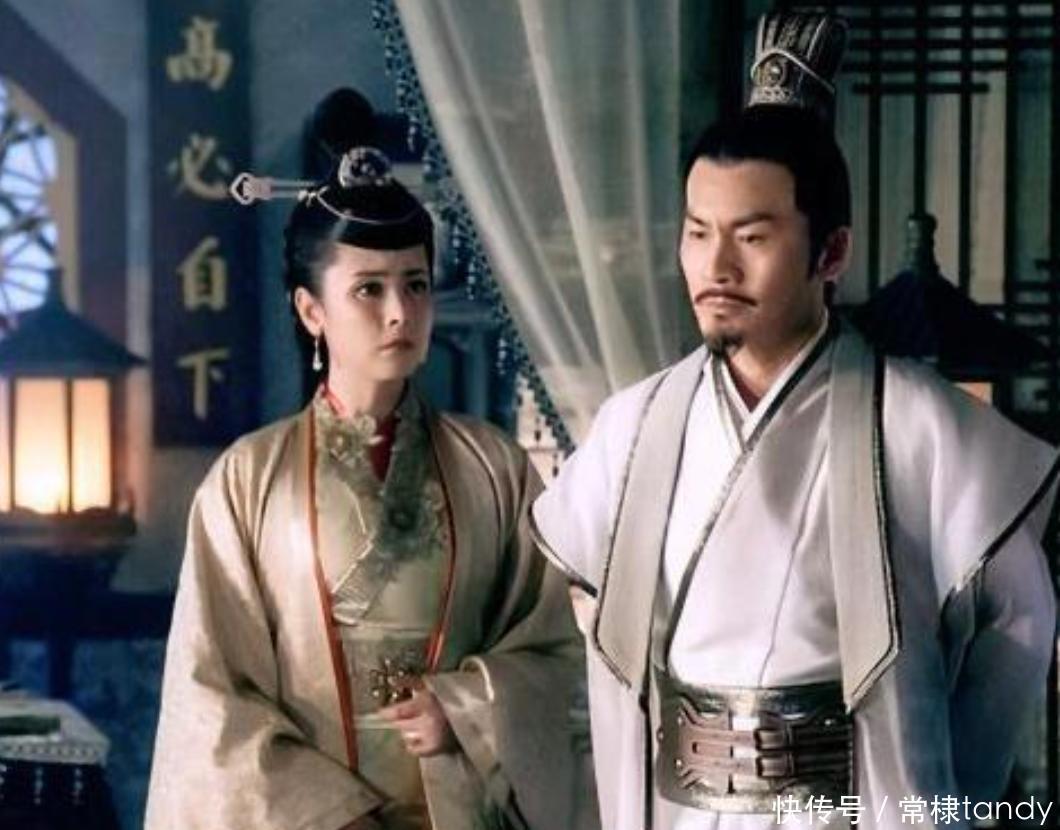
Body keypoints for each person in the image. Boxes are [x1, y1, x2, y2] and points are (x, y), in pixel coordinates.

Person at [531, 11, 1059, 830]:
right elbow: (591, 610)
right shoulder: (635, 426)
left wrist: (934, 777)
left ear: (831, 252)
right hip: (686, 808)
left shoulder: (919, 425)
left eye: (752, 236)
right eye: (698, 232)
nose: (716, 265)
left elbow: (1018, 627)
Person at [146, 146, 594, 830]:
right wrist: (328, 813)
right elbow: (210, 695)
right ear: (310, 310)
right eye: (369, 289)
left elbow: (555, 654)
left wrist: (467, 708)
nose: (399, 312)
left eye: (415, 285)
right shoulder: (248, 480)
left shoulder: (494, 469)